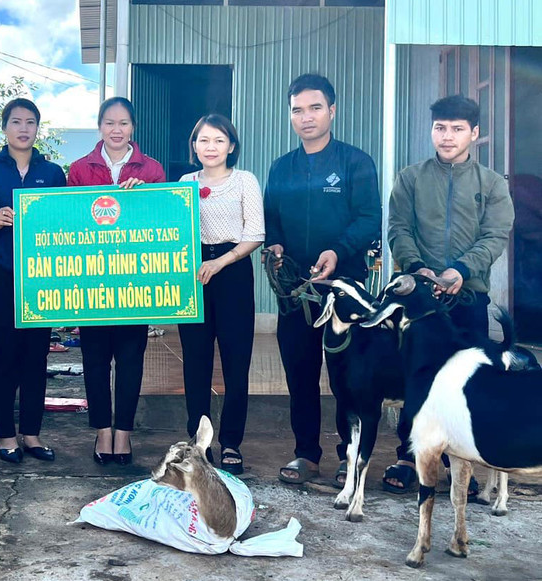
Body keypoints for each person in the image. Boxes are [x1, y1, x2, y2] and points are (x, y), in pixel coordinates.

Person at [385, 95, 514, 495]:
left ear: (474, 134)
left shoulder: (492, 184)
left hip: (467, 299)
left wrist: (460, 269)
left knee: (465, 382)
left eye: (457, 129)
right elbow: (398, 228)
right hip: (421, 304)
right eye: (440, 127)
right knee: (417, 377)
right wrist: (416, 267)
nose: (447, 136)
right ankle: (408, 456)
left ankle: (462, 466)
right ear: (432, 130)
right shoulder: (411, 178)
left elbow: (495, 236)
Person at [263, 74, 381, 485]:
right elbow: (271, 223)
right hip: (296, 295)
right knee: (300, 375)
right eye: (298, 109)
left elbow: (369, 219)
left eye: (315, 108)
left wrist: (338, 251)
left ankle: (350, 457)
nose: (306, 117)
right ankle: (305, 455)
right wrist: (275, 249)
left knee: (347, 377)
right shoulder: (281, 169)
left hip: (344, 292)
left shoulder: (355, 163)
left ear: (332, 110)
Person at [67, 97, 166, 466]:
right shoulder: (79, 169)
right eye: (109, 123)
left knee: (130, 359)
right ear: (99, 127)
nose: (116, 130)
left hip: (134, 283)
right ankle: (101, 432)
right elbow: (71, 221)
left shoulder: (152, 169)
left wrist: (146, 197)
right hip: (91, 283)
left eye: (123, 123)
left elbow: (162, 221)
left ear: (133, 128)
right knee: (94, 360)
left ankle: (122, 433)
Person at [0, 98, 65, 463]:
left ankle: (32, 435)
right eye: (16, 122)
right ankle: (5, 436)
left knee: (37, 358)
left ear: (38, 129)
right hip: (4, 275)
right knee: (5, 356)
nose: (23, 129)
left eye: (30, 123)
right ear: (5, 128)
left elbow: (64, 221)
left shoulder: (53, 173)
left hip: (41, 280)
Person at [178, 114, 264, 475]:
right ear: (194, 145)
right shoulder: (183, 183)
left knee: (235, 361)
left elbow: (255, 234)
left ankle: (231, 442)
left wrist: (221, 262)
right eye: (203, 140)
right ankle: (198, 443)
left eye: (218, 140)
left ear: (231, 146)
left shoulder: (245, 181)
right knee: (195, 363)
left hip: (233, 273)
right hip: (192, 273)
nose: (210, 147)